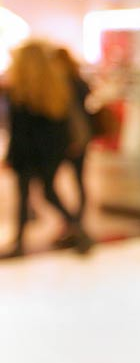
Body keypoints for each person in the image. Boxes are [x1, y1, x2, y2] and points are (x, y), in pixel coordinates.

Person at [3, 41, 93, 257]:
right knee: (48, 191)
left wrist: (10, 156)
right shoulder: (56, 84)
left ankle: (21, 242)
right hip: (51, 150)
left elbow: (19, 130)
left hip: (28, 152)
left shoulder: (20, 89)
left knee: (26, 195)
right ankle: (77, 228)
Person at [53, 47, 93, 224]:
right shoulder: (78, 81)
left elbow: (73, 116)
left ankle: (76, 221)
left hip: (72, 137)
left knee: (73, 180)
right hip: (78, 136)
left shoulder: (65, 83)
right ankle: (76, 221)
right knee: (79, 179)